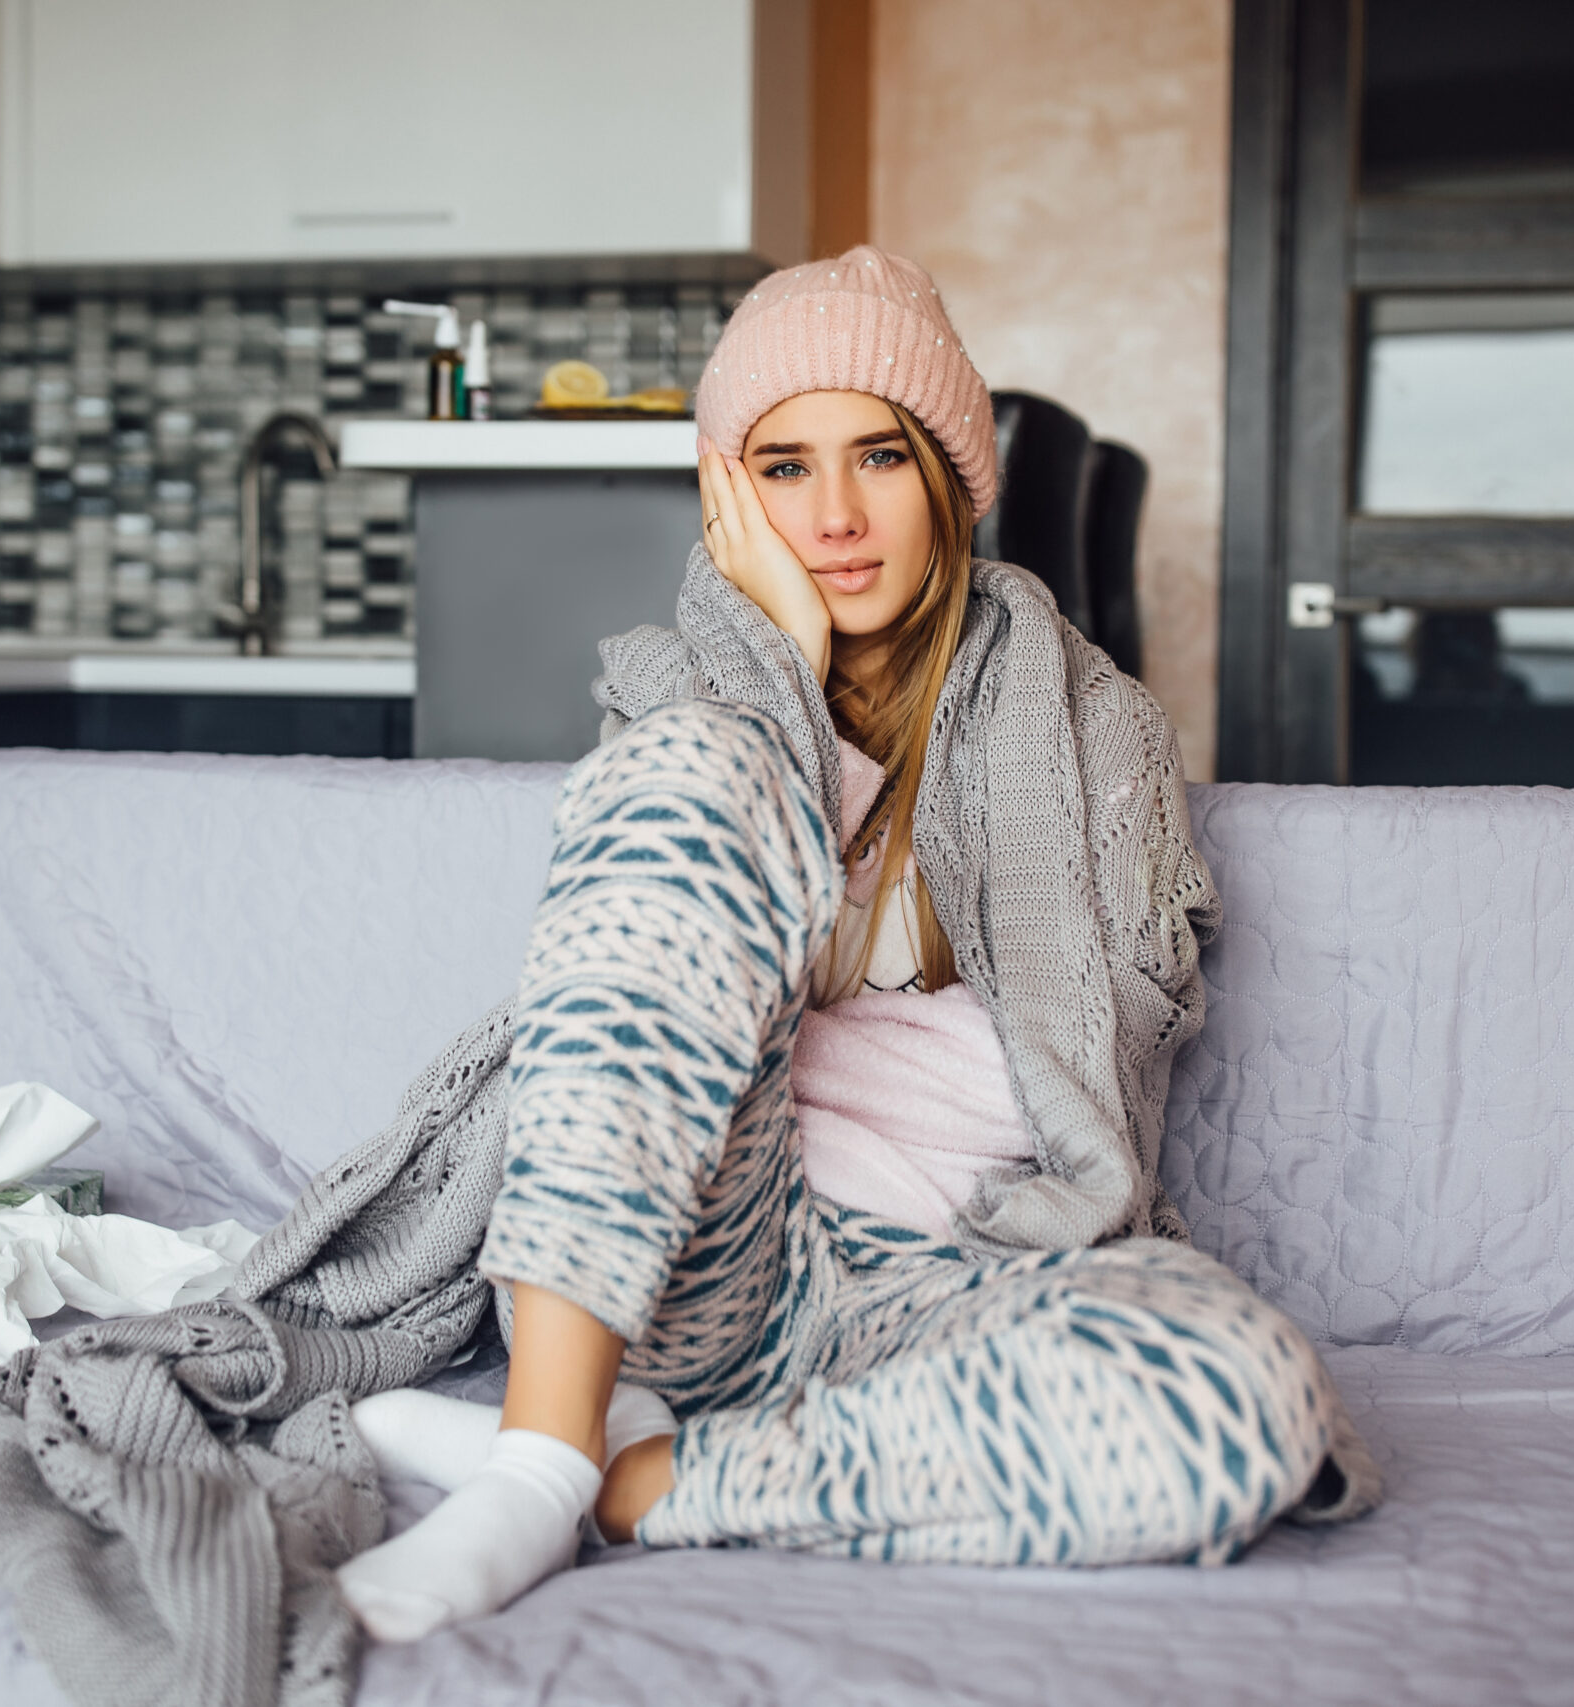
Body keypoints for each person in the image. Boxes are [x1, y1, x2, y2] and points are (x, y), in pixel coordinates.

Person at [334, 247, 1376, 1643]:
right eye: (782, 467)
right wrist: (788, 670)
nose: (834, 514)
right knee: (700, 770)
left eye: (879, 455)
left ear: (947, 477)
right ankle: (537, 1453)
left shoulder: (1090, 722)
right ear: (730, 496)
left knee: (1247, 1392)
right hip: (701, 1252)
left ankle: (637, 1479)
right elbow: (641, 999)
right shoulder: (683, 702)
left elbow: (1128, 1040)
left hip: (958, 1285)